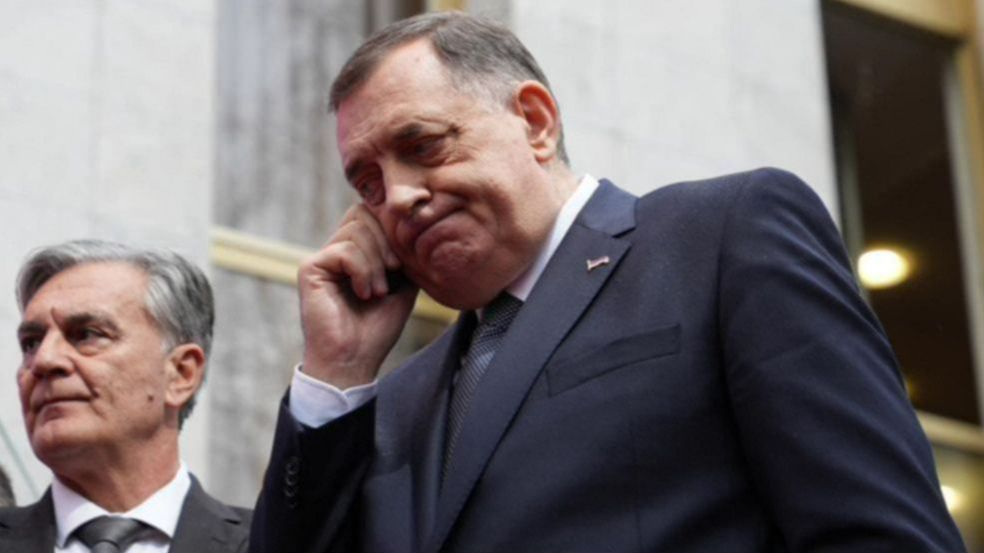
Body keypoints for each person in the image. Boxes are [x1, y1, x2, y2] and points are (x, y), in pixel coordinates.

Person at [250, 12, 966, 553]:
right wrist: (336, 371)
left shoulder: (721, 238)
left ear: (535, 122)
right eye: (368, 184)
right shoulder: (389, 403)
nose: (398, 198)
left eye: (423, 146)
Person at [0, 240, 251, 552]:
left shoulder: (271, 542)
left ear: (181, 373)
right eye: (31, 343)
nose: (44, 360)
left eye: (87, 335)